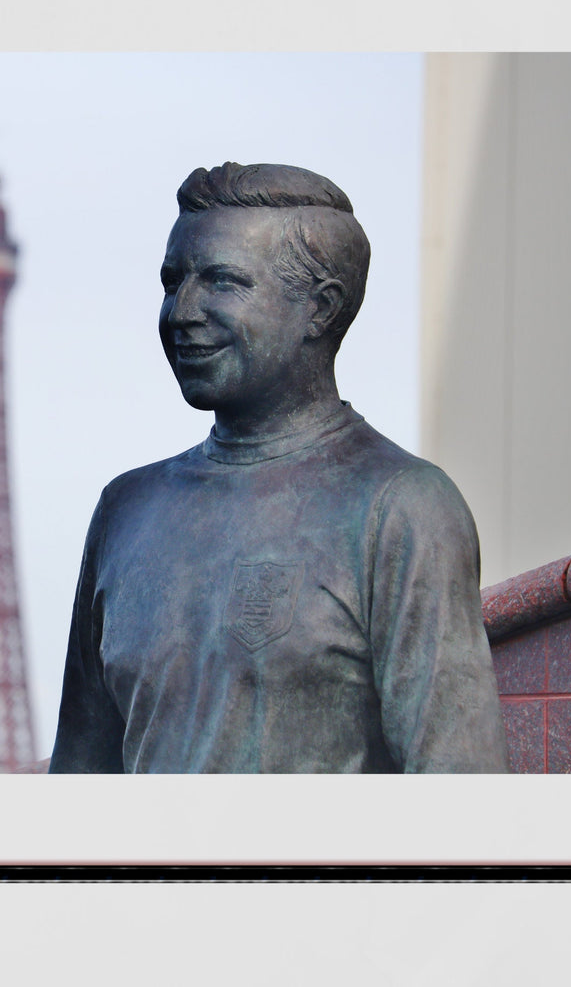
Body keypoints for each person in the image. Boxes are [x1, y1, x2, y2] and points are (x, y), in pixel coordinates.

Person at [48, 162, 509, 773]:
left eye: (222, 282)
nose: (182, 311)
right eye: (171, 282)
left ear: (320, 308)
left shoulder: (403, 508)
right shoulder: (125, 509)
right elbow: (80, 780)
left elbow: (462, 789)